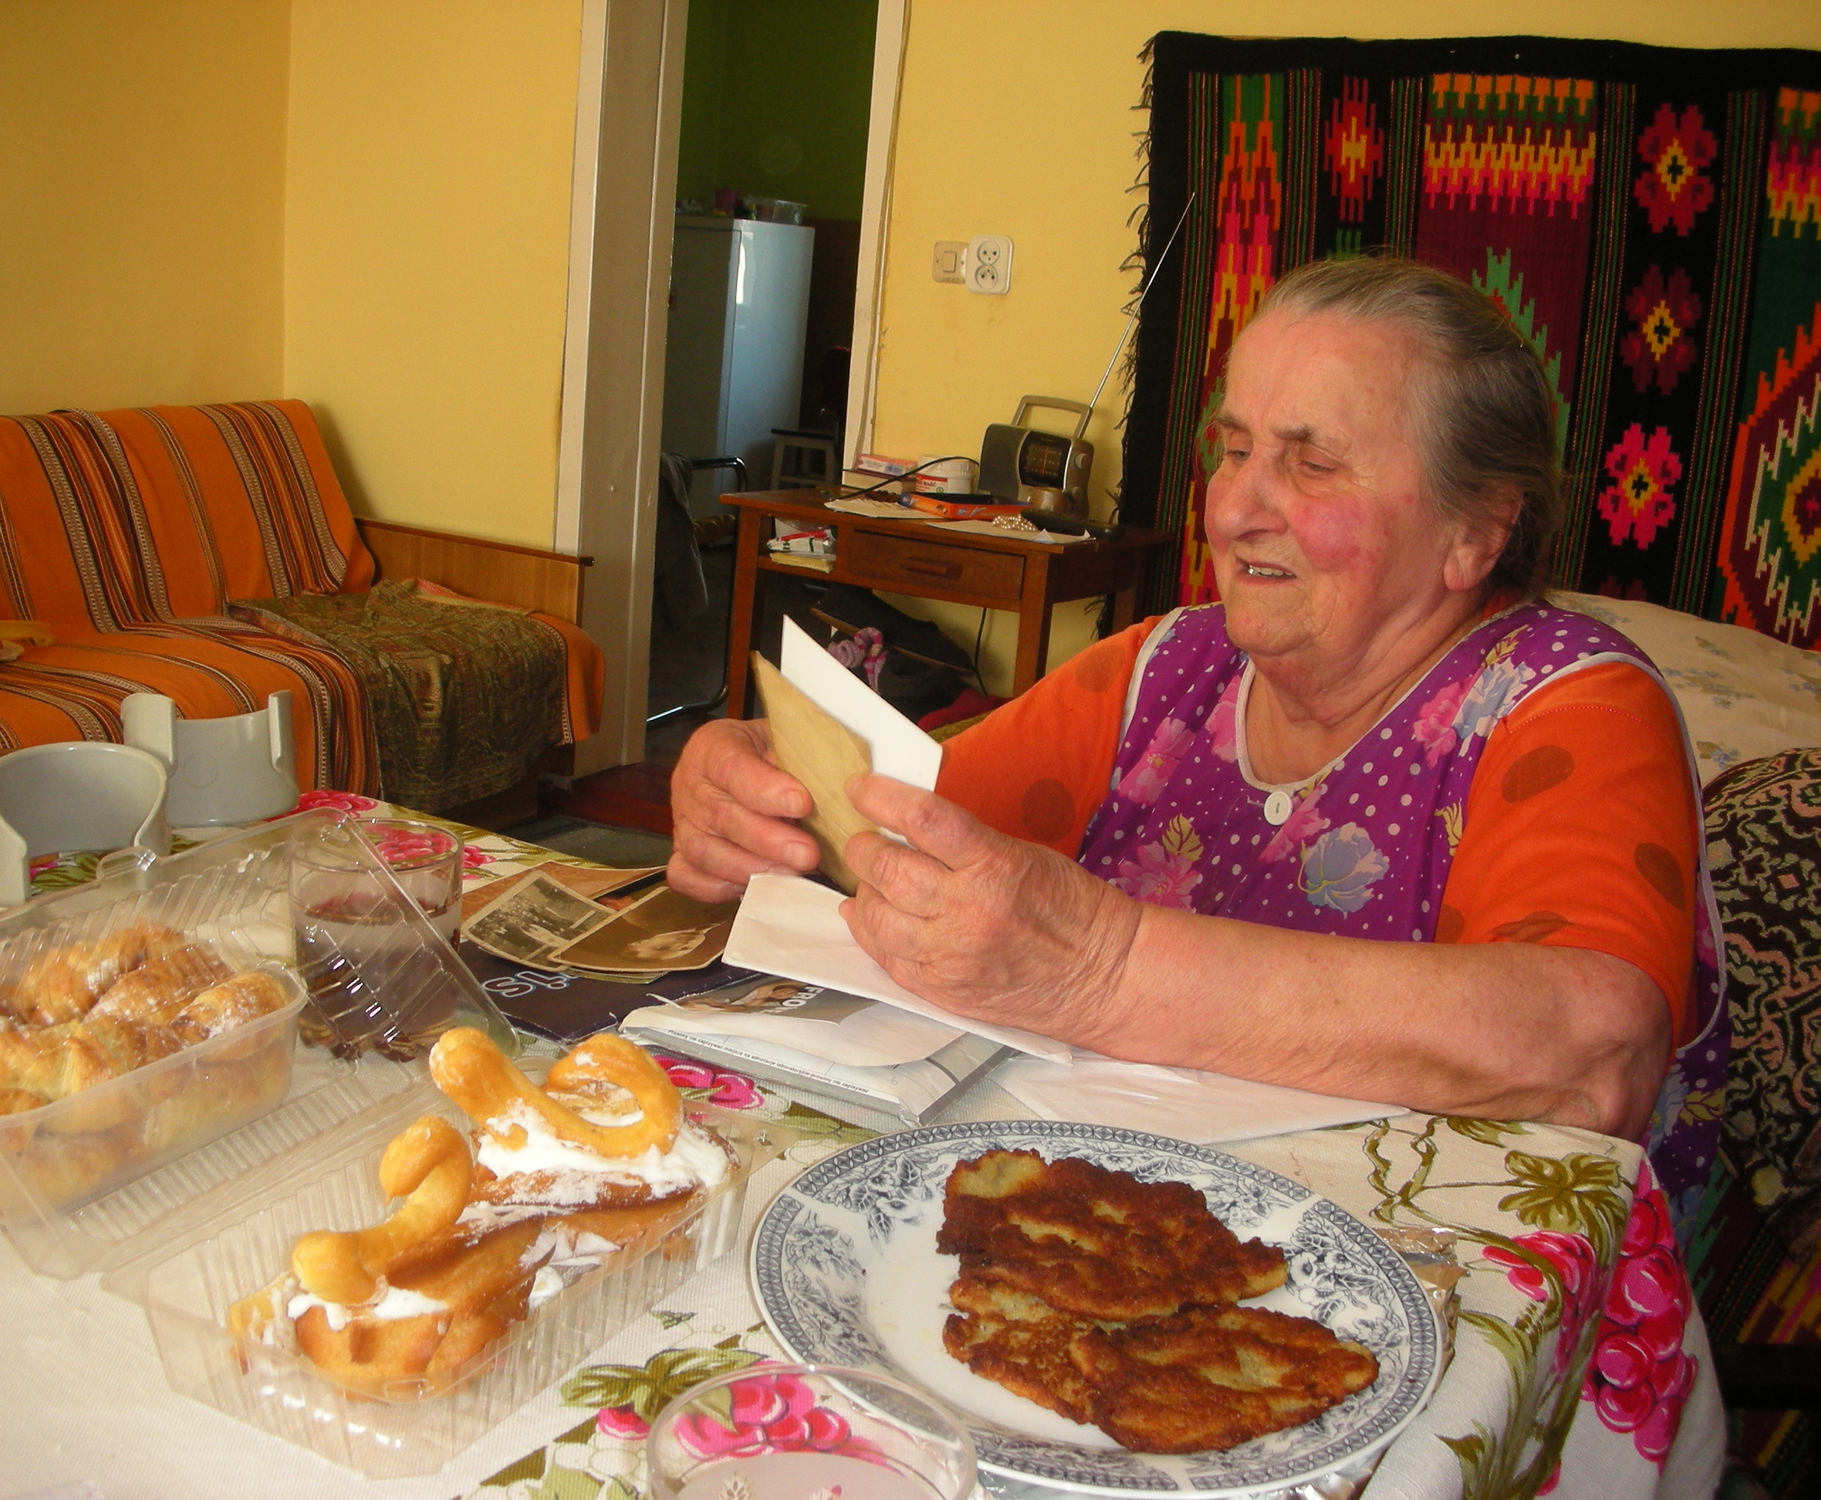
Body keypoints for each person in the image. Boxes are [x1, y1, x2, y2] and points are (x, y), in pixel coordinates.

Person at [666, 255, 1724, 1208]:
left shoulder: (1572, 702)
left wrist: (1106, 970)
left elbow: (1591, 1048)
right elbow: (912, 828)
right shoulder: (1171, 666)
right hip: (1126, 1232)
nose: (1232, 512)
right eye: (1235, 450)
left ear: (1476, 529)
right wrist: (762, 798)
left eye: (1311, 464)